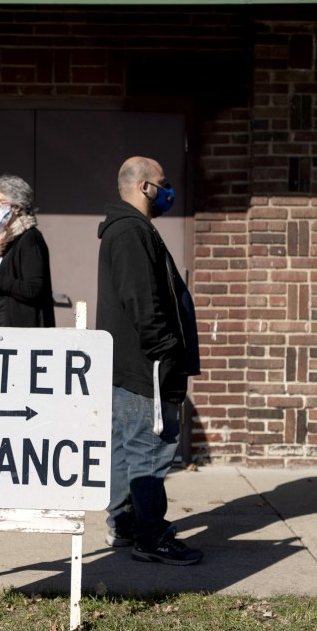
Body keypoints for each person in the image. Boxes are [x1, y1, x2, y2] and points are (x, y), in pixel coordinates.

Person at [97, 156, 202, 566]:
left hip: (133, 365)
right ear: (145, 187)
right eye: (163, 182)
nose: (168, 190)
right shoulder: (131, 231)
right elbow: (142, 300)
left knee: (126, 449)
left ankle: (126, 524)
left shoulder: (128, 229)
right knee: (148, 450)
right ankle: (150, 536)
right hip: (146, 366)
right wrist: (166, 350)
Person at [0, 175, 55, 327]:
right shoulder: (9, 239)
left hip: (24, 331)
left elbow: (34, 289)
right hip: (7, 327)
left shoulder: (29, 239)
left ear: (16, 207)